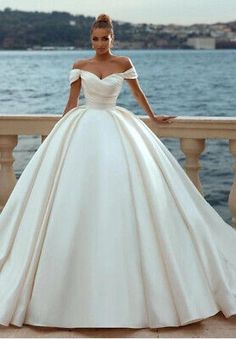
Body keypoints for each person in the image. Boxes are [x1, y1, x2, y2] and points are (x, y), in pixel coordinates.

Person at [0, 13, 236, 330]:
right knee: (77, 198)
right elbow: (71, 105)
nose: (100, 44)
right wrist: (58, 133)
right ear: (90, 40)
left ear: (113, 39)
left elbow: (138, 95)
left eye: (104, 38)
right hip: (83, 128)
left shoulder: (123, 63)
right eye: (95, 39)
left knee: (123, 193)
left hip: (115, 124)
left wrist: (154, 117)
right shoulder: (80, 66)